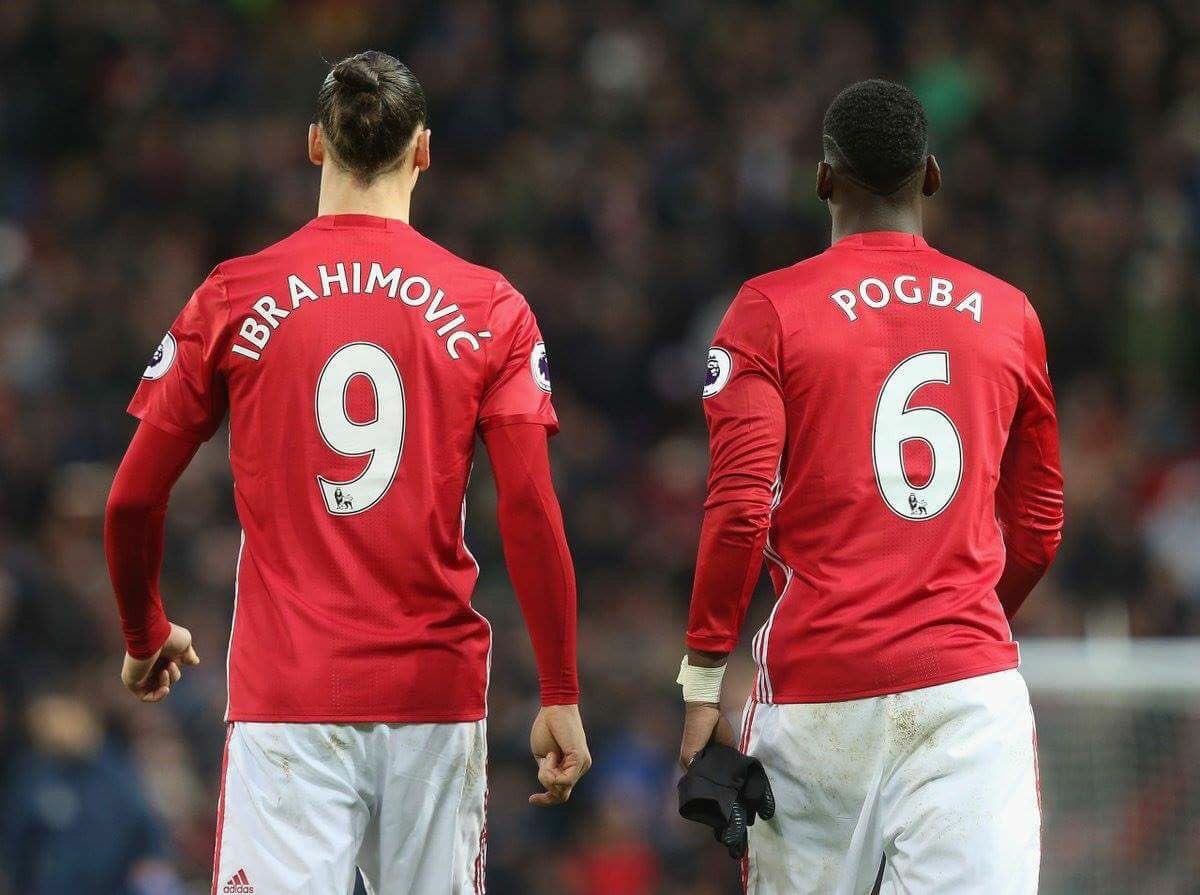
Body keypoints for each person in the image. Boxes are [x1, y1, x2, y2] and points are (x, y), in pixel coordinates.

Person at [103, 50, 589, 894]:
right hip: (433, 698)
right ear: (424, 150)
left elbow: (131, 498)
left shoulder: (235, 294)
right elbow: (530, 507)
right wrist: (560, 688)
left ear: (315, 145)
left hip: (288, 700)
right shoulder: (490, 306)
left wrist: (145, 632)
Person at [676, 79, 1063, 894]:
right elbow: (1037, 524)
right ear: (931, 176)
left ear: (823, 178)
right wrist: (953, 622)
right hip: (967, 695)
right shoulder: (1010, 313)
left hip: (816, 694)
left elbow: (741, 509)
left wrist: (704, 677)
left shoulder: (767, 310)